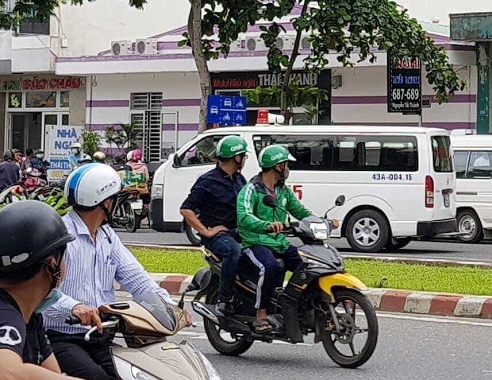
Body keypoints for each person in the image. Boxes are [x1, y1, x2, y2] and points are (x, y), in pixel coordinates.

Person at [43, 163, 189, 380]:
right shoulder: (62, 237)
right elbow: (40, 293)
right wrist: (74, 307)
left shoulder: (107, 237)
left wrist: (168, 307)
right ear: (105, 202)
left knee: (135, 373)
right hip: (61, 338)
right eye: (115, 199)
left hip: (101, 336)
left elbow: (137, 279)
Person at [237, 145, 337, 333]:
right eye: (286, 163)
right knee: (269, 266)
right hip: (255, 242)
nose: (287, 168)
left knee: (310, 265)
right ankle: (261, 314)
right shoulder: (251, 189)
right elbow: (244, 216)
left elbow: (301, 212)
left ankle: (304, 308)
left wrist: (324, 222)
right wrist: (266, 225)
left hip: (279, 242)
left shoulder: (283, 191)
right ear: (276, 165)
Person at [0, 201, 75, 379]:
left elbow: (54, 373)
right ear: (52, 263)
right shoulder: (6, 315)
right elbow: (5, 371)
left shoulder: (32, 319)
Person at [179, 135, 249, 316]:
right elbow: (186, 209)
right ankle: (223, 300)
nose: (244, 160)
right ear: (236, 158)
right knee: (233, 251)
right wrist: (206, 231)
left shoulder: (240, 180)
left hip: (239, 232)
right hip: (219, 237)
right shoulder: (208, 181)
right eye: (243, 156)